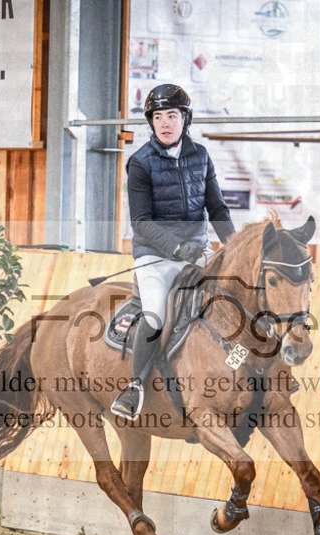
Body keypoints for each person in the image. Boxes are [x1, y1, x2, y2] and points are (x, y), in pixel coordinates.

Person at [110, 83, 236, 421]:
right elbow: (141, 223)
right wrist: (178, 247)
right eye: (158, 117)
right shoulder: (140, 163)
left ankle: (252, 368)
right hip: (156, 256)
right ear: (151, 122)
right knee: (155, 315)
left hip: (198, 250)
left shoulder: (201, 156)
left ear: (185, 119)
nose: (165, 123)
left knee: (236, 299)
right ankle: (134, 388)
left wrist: (233, 247)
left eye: (172, 115)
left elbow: (218, 209)